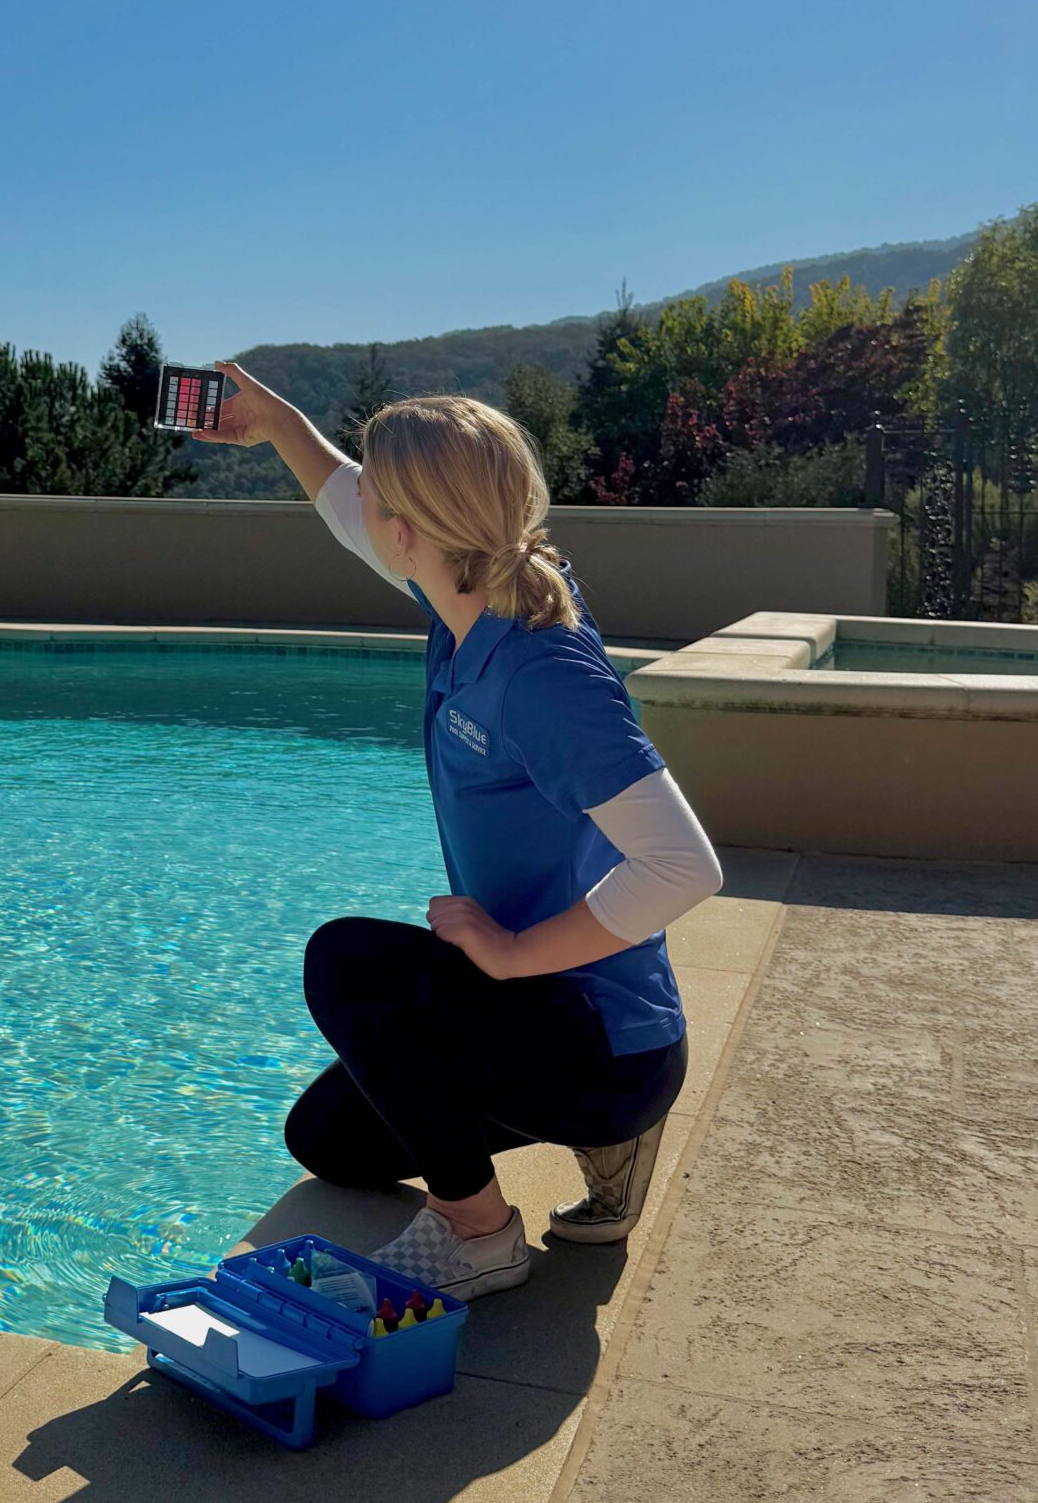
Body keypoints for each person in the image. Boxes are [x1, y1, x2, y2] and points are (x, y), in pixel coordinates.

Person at [196, 360, 723, 1303]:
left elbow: (684, 866)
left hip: (606, 1044)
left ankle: (482, 1234)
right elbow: (348, 503)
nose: (367, 519)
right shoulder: (469, 593)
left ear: (410, 533)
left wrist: (516, 954)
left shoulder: (539, 669)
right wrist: (278, 424)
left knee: (349, 964)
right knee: (325, 1143)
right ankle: (564, 1136)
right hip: (541, 1022)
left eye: (382, 506)